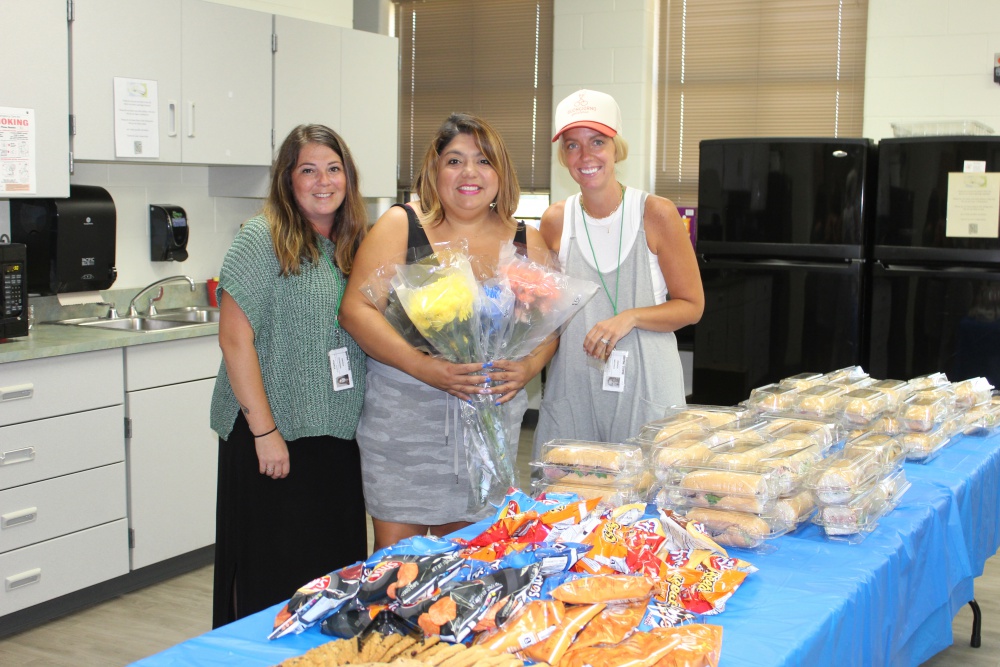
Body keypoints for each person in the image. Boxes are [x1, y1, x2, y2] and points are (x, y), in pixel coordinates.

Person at [340, 113, 555, 552]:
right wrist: (426, 368)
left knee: (471, 565)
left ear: (501, 172)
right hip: (405, 432)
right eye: (454, 161)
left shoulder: (524, 241)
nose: (469, 173)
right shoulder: (403, 226)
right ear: (434, 171)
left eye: (483, 160)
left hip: (488, 435)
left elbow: (551, 325)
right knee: (397, 573)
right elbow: (356, 311)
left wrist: (529, 365)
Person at [209, 124, 369, 627]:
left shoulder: (352, 245)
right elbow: (235, 339)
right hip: (272, 439)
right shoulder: (262, 238)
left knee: (331, 578)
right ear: (287, 179)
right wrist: (264, 431)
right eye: (308, 170)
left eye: (333, 168)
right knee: (271, 582)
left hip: (337, 437)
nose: (323, 181)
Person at [534, 89, 704, 452]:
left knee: (646, 498)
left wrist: (629, 317)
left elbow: (692, 306)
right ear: (563, 155)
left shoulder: (656, 214)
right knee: (569, 498)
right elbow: (543, 311)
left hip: (647, 387)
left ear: (616, 147)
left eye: (597, 141)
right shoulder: (555, 221)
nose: (585, 155)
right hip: (576, 387)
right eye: (572, 145)